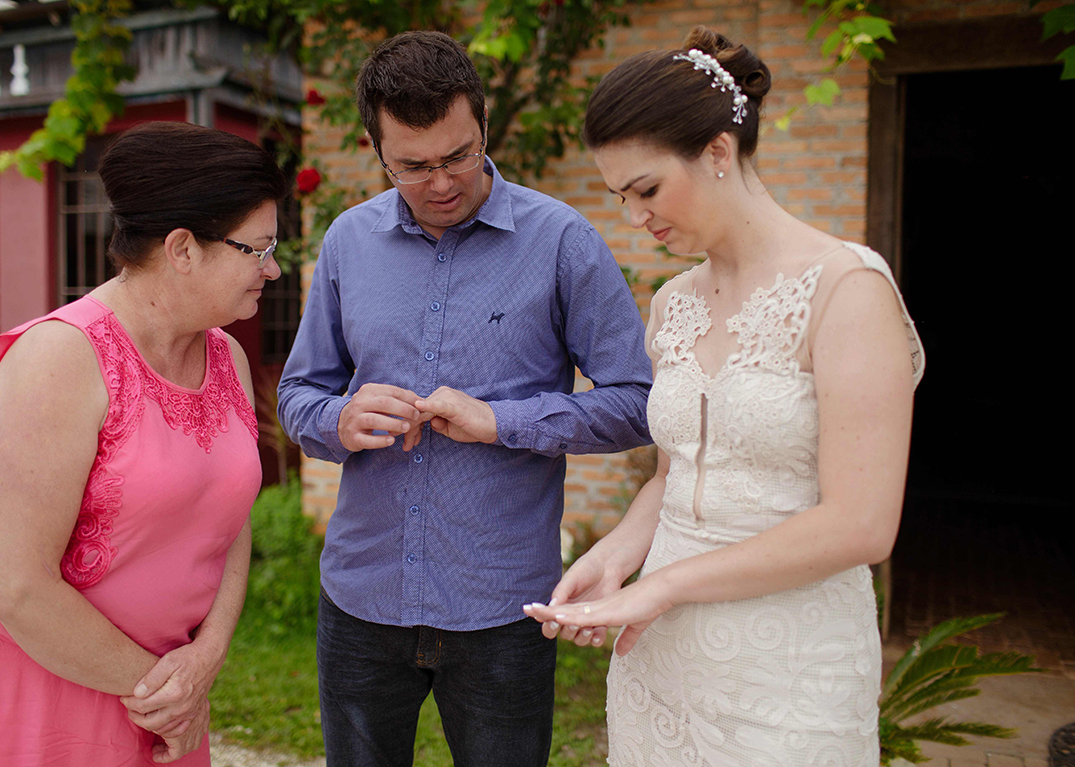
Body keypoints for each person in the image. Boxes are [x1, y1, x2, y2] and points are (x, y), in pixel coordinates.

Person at [524, 26, 925, 766]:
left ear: (716, 151)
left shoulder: (847, 290)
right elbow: (677, 477)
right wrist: (615, 559)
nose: (634, 218)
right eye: (620, 196)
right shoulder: (674, 303)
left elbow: (863, 524)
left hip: (790, 668)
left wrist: (663, 585)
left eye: (645, 189)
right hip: (665, 659)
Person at [277, 30, 652, 767]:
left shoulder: (563, 241)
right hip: (360, 598)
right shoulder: (348, 242)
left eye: (458, 154)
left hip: (502, 606)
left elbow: (638, 402)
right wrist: (337, 419)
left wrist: (501, 422)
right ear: (376, 149)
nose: (441, 182)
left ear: (482, 120)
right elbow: (299, 393)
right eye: (412, 167)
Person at [0, 121, 286, 766]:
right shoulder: (58, 358)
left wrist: (204, 660)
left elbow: (229, 519)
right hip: (31, 686)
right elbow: (16, 588)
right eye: (255, 249)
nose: (273, 267)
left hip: (160, 699)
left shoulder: (225, 356)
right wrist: (164, 689)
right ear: (183, 248)